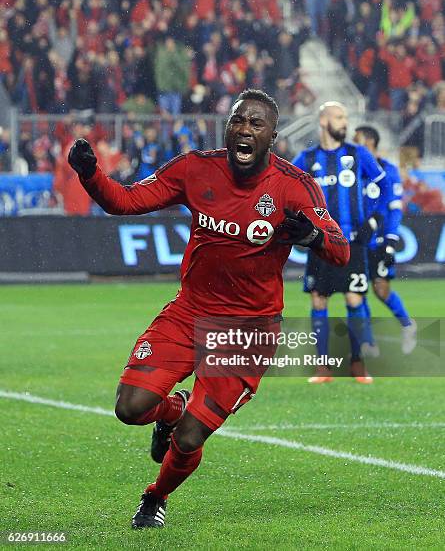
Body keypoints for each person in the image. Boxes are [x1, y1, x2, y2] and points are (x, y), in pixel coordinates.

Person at [68, 89, 349, 529]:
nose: (245, 129)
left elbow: (341, 250)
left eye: (256, 124)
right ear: (228, 126)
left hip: (249, 331)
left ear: (272, 136)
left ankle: (154, 496)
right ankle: (173, 409)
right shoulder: (195, 168)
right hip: (190, 312)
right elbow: (124, 201)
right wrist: (90, 175)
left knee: (190, 437)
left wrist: (312, 238)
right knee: (131, 408)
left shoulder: (295, 187)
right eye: (239, 120)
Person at [293, 102, 385, 384]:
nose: (344, 122)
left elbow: (381, 184)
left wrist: (372, 220)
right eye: (339, 117)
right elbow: (285, 189)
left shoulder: (358, 154)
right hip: (320, 242)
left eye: (345, 117)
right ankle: (323, 368)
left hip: (352, 241)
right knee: (319, 299)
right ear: (323, 120)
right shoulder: (306, 159)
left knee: (354, 297)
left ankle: (357, 365)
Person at [353, 126, 417, 356]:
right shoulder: (353, 171)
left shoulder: (388, 170)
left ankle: (408, 325)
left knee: (381, 289)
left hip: (378, 240)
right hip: (359, 240)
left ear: (370, 142)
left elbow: (394, 209)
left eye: (357, 139)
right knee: (357, 290)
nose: (353, 143)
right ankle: (369, 343)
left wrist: (390, 240)